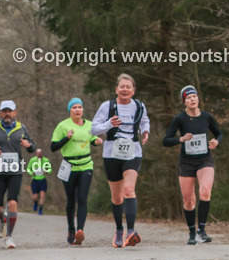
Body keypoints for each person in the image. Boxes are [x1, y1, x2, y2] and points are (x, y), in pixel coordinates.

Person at [91, 74, 150, 248]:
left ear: (133, 90)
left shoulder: (139, 106)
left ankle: (131, 231)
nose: (125, 89)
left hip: (133, 151)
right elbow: (93, 129)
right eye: (122, 86)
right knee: (117, 197)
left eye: (128, 87)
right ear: (116, 89)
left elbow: (145, 121)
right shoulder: (107, 106)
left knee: (129, 189)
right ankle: (119, 230)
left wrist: (145, 131)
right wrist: (109, 124)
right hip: (111, 154)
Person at [163, 85, 222, 244]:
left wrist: (216, 141)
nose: (192, 99)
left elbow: (219, 133)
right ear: (185, 101)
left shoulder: (207, 117)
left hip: (205, 160)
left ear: (198, 98)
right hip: (187, 162)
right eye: (188, 97)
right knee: (189, 200)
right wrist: (180, 139)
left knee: (205, 192)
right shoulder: (179, 119)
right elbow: (166, 141)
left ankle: (201, 230)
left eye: (194, 96)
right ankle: (191, 233)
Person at [0, 100, 35, 249]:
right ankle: (3, 220)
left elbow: (32, 147)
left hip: (15, 171)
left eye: (9, 111)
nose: (7, 114)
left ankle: (9, 237)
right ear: (0, 113)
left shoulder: (22, 128)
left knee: (12, 202)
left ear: (14, 112)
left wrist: (29, 145)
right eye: (4, 111)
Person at [52, 97, 102, 245]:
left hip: (86, 165)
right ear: (70, 110)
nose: (77, 110)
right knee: (71, 200)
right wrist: (66, 138)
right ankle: (71, 229)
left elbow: (92, 139)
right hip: (69, 166)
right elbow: (53, 147)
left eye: (80, 107)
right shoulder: (63, 126)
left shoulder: (90, 125)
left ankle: (80, 230)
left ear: (82, 110)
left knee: (82, 198)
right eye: (74, 107)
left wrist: (97, 142)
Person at [27, 149, 51, 215]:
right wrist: (31, 173)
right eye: (37, 153)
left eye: (39, 153)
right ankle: (35, 203)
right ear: (36, 153)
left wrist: (47, 171)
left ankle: (40, 209)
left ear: (41, 153)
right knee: (35, 197)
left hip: (43, 180)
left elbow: (49, 169)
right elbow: (28, 169)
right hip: (35, 180)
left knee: (42, 195)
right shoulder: (32, 160)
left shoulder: (46, 160)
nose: (38, 155)